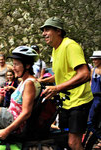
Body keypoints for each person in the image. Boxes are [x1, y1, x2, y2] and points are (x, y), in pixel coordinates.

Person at [40, 17, 93, 150]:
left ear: (58, 31)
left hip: (79, 101)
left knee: (73, 143)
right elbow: (63, 75)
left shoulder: (70, 46)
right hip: (66, 102)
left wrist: (57, 88)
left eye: (47, 30)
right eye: (43, 31)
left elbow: (84, 74)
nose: (43, 34)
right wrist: (43, 81)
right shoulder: (56, 49)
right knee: (64, 140)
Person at [88, 51, 101, 122]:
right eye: (93, 59)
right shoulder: (93, 70)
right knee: (92, 117)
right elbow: (91, 81)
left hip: (100, 97)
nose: (94, 61)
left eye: (96, 59)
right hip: (93, 97)